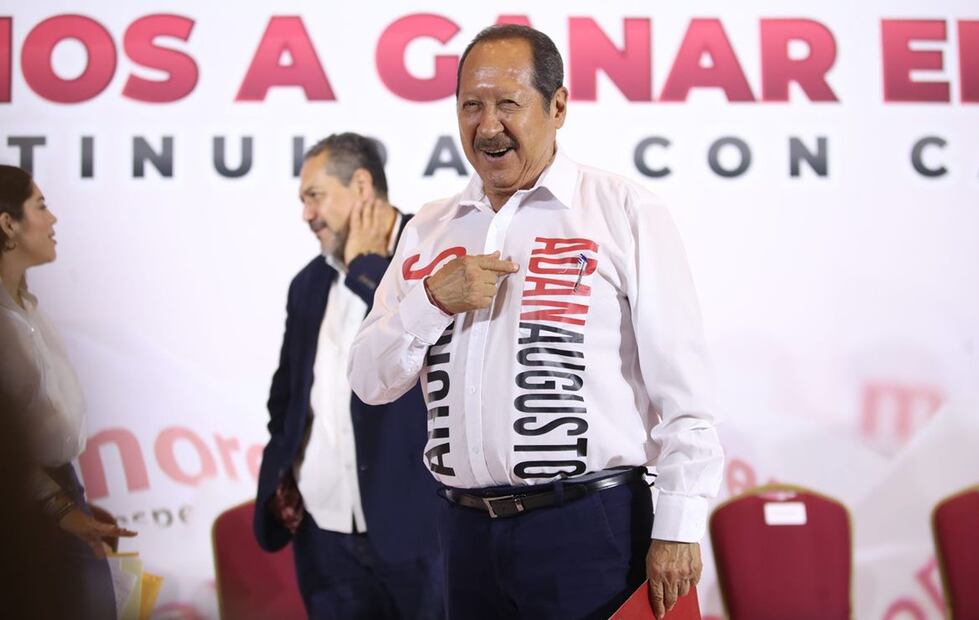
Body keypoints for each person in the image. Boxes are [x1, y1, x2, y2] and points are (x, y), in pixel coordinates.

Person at [349, 25, 724, 619]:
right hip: (464, 531)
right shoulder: (428, 229)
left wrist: (679, 525)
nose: (487, 125)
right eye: (471, 105)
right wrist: (432, 301)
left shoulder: (622, 210)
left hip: (590, 529)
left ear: (558, 107)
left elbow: (685, 393)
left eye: (508, 103)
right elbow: (370, 380)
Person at [253, 133, 443, 619]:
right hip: (324, 536)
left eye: (314, 196)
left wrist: (364, 267)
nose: (306, 214)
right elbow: (289, 398)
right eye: (302, 200)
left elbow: (425, 341)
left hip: (419, 534)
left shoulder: (432, 254)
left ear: (361, 185)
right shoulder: (308, 284)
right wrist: (283, 471)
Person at [0, 164, 137, 619]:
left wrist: (71, 503)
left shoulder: (27, 308)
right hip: (28, 507)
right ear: (8, 224)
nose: (53, 219)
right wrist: (59, 507)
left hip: (58, 493)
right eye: (40, 206)